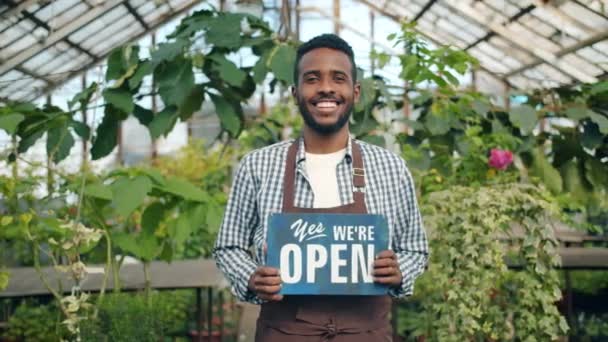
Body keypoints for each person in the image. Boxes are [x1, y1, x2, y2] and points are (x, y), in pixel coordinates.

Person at [213, 33, 428, 341]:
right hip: (285, 332)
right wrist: (250, 277)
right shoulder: (258, 165)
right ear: (295, 92)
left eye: (338, 79)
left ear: (355, 92)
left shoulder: (390, 167)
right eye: (312, 79)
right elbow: (228, 246)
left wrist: (399, 270)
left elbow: (415, 248)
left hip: (367, 332)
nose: (326, 87)